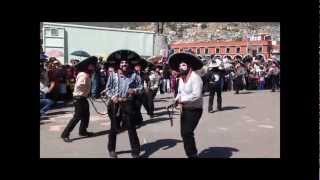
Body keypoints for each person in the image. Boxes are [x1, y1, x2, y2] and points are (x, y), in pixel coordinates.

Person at [104, 50, 143, 158]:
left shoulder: (134, 75)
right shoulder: (113, 75)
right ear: (119, 64)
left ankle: (135, 151)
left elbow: (141, 88)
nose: (124, 64)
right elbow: (107, 89)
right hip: (115, 105)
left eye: (126, 62)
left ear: (129, 64)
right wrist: (113, 96)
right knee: (114, 128)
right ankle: (111, 149)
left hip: (128, 104)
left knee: (131, 128)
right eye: (122, 63)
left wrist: (134, 91)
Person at [168, 52, 203, 158]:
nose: (181, 67)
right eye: (179, 66)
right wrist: (175, 100)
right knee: (184, 133)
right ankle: (191, 154)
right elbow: (180, 93)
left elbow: (196, 95)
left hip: (195, 109)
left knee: (187, 132)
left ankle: (193, 155)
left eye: (183, 65)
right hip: (185, 109)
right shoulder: (181, 79)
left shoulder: (196, 78)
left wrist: (181, 100)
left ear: (189, 66)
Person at [60, 56, 98, 143]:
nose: (93, 67)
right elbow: (79, 86)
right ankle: (65, 134)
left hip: (82, 97)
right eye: (92, 65)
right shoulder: (84, 75)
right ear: (88, 66)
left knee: (86, 115)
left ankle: (83, 131)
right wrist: (85, 90)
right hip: (79, 98)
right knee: (77, 117)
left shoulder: (86, 74)